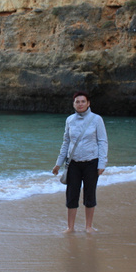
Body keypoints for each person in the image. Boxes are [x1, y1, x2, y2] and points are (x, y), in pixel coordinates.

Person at [52, 92, 108, 233]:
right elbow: (66, 142)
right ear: (74, 104)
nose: (80, 104)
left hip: (91, 162)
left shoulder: (96, 119)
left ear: (88, 103)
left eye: (83, 101)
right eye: (77, 101)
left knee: (90, 194)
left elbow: (102, 142)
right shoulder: (70, 120)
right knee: (71, 195)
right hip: (73, 164)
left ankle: (88, 226)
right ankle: (70, 227)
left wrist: (102, 164)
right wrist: (58, 163)